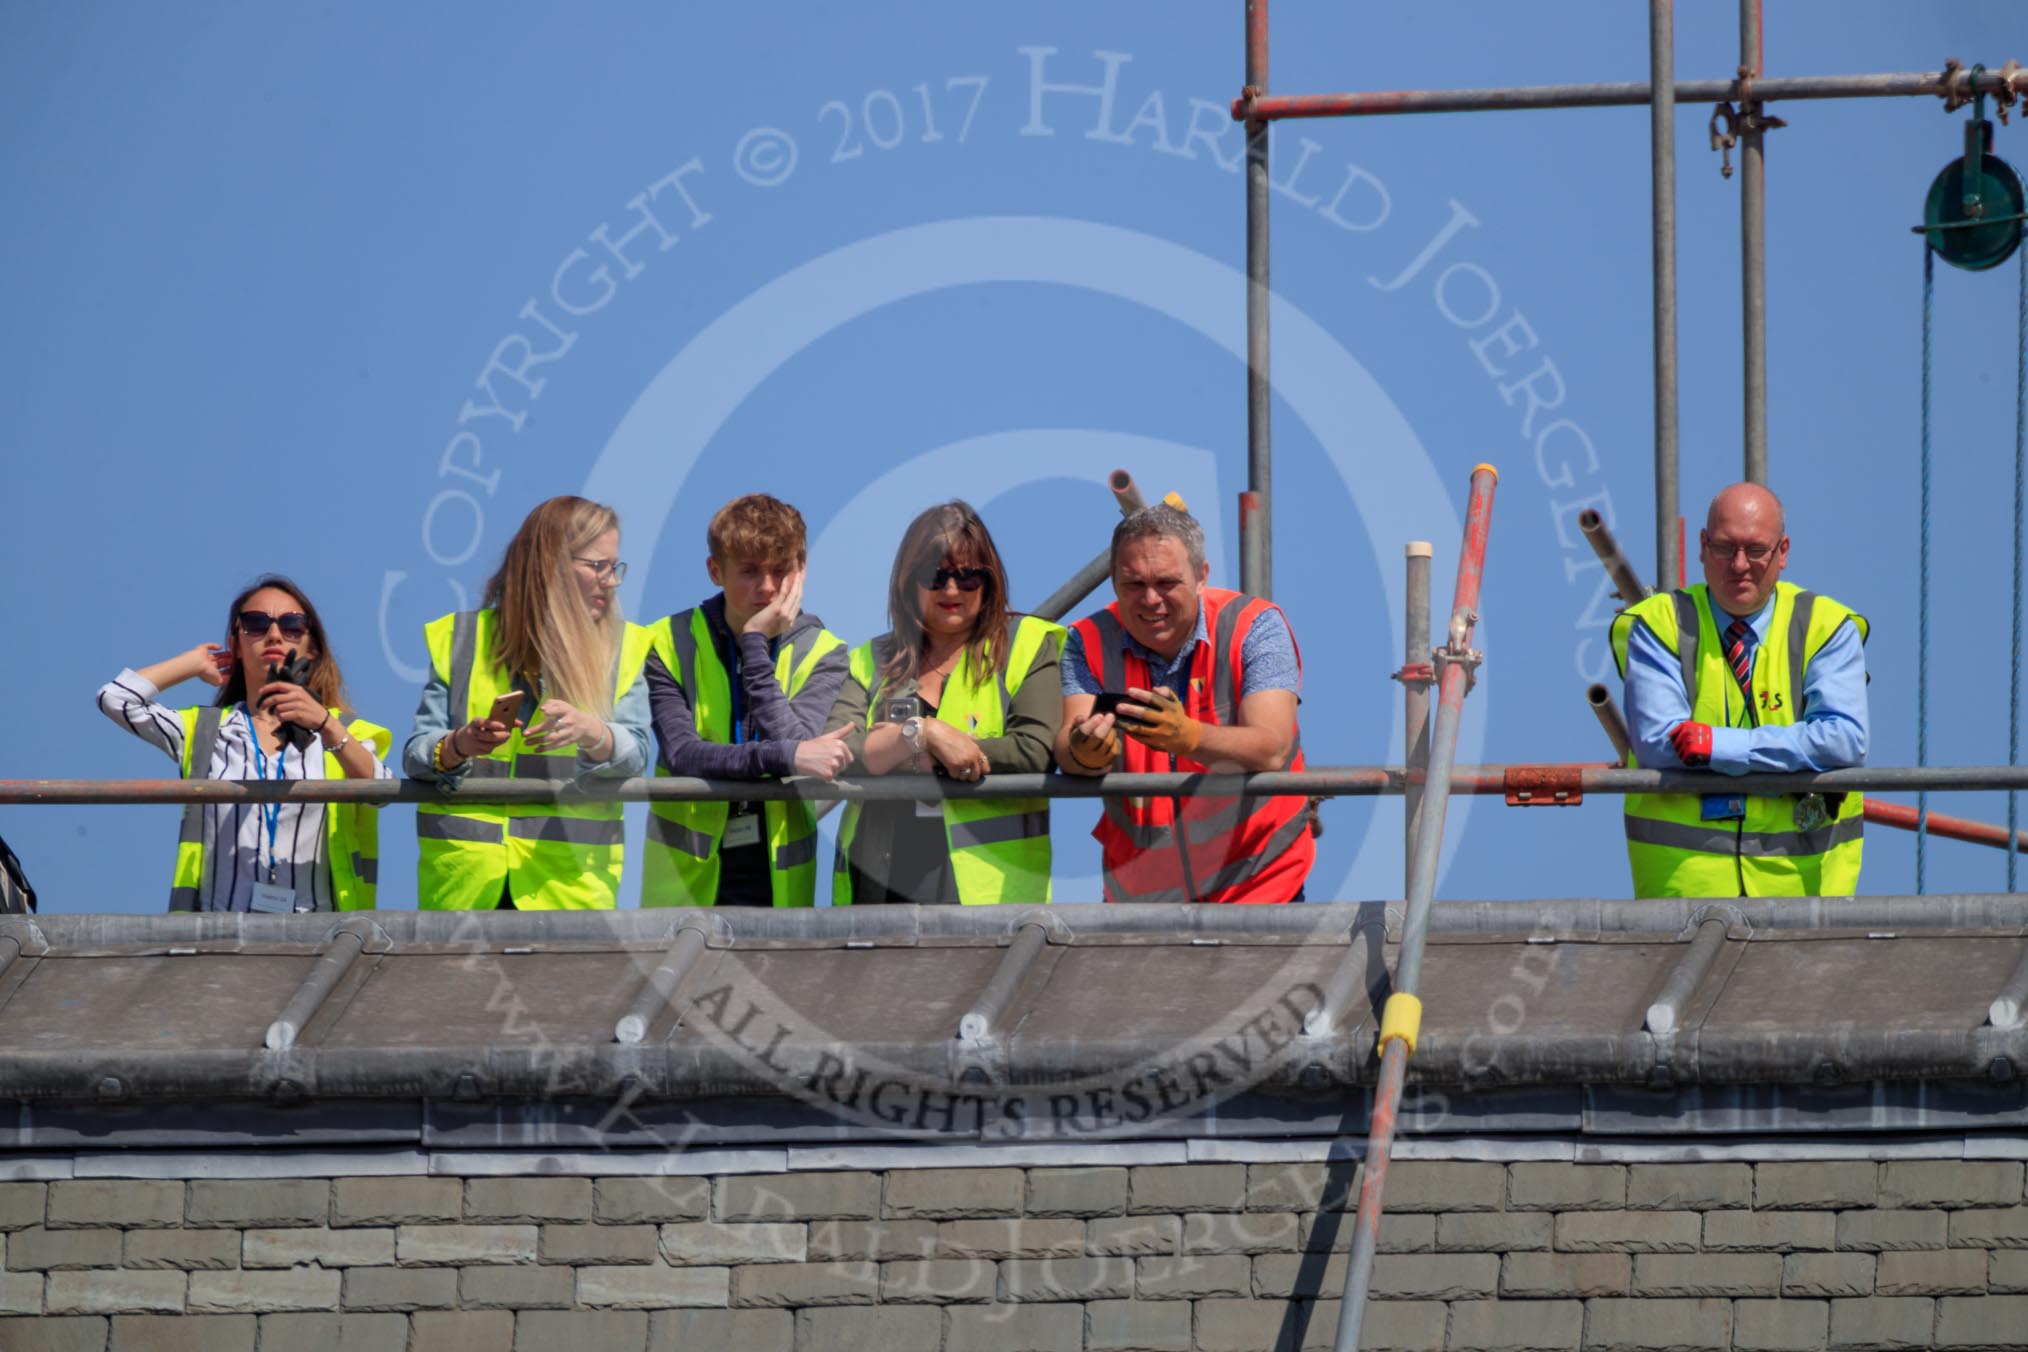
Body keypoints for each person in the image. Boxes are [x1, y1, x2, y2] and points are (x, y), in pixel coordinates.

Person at [1610, 482, 1869, 897]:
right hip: (1684, 890)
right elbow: (1660, 744)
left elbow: (1844, 740)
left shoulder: (1826, 626)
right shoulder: (1659, 624)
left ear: (1782, 552)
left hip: (1803, 895)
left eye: (1756, 550)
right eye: (1725, 548)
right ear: (1701, 546)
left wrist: (1719, 747)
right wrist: (1791, 758)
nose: (1740, 565)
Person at [404, 495, 655, 910]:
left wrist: (595, 734)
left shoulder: (624, 647)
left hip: (570, 893)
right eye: (598, 566)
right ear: (549, 564)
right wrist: (457, 746)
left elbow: (636, 756)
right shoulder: (462, 638)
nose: (610, 581)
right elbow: (416, 755)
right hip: (466, 892)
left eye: (614, 567)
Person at [1055, 503, 1312, 903]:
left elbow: (1273, 748)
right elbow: (1070, 745)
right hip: (1140, 896)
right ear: (1112, 580)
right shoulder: (1085, 640)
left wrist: (1188, 736)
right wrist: (1086, 752)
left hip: (1260, 887)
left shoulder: (1255, 626)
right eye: (1133, 584)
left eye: (1166, 582)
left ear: (1201, 577)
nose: (1150, 599)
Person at [98, 575, 394, 912]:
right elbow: (116, 698)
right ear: (236, 645)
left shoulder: (342, 732)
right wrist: (191, 664)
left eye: (292, 625)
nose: (273, 634)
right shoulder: (204, 730)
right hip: (221, 944)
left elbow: (382, 791)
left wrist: (325, 724)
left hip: (316, 940)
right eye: (255, 624)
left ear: (312, 648)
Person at [827, 501, 1064, 904]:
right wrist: (924, 734)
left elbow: (1035, 751)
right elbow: (837, 749)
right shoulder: (871, 659)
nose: (952, 589)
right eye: (934, 576)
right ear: (907, 582)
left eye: (969, 576)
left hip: (988, 891)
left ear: (989, 582)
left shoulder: (1027, 643)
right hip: (879, 879)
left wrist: (903, 753)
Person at [641, 494, 853, 907]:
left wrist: (755, 645)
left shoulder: (826, 651)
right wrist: (786, 756)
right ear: (715, 571)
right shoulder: (667, 642)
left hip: (778, 889)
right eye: (750, 572)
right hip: (683, 890)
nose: (768, 587)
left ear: (801, 571)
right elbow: (684, 754)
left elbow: (799, 748)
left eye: (780, 571)